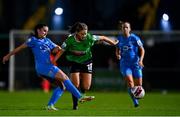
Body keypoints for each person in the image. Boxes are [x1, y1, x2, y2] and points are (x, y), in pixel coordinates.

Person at [2, 23, 94, 111]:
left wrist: (58, 48)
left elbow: (55, 49)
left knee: (62, 86)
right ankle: (80, 97)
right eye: (44, 31)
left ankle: (50, 105)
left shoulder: (47, 40)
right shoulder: (33, 40)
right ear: (38, 30)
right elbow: (19, 48)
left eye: (47, 31)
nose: (46, 33)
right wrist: (8, 56)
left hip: (46, 67)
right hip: (44, 67)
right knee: (65, 78)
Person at [52, 22, 119, 110]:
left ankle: (82, 94)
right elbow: (61, 51)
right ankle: (75, 105)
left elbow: (103, 37)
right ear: (77, 32)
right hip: (74, 62)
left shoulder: (90, 37)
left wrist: (113, 43)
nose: (84, 35)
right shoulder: (70, 40)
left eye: (85, 33)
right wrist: (53, 61)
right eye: (82, 34)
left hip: (87, 61)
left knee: (86, 86)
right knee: (75, 85)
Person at [115, 21, 145, 107]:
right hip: (125, 64)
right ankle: (135, 102)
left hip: (136, 64)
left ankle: (137, 95)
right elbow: (117, 49)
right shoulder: (119, 39)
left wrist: (141, 61)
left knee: (139, 85)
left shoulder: (135, 38)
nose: (125, 29)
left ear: (130, 29)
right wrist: (118, 55)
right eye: (123, 27)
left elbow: (142, 50)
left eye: (126, 27)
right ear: (121, 29)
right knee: (130, 82)